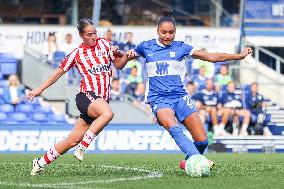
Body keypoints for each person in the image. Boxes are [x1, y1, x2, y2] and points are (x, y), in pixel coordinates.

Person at [130, 8, 252, 171]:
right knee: (173, 126)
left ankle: (187, 161)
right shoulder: (145, 47)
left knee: (202, 141)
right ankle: (199, 159)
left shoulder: (182, 48)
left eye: (171, 32)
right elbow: (122, 61)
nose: (167, 36)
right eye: (164, 32)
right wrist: (121, 57)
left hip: (180, 97)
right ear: (157, 31)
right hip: (158, 98)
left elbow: (211, 57)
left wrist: (238, 56)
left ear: (175, 32)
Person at [28, 18, 133, 176]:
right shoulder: (77, 54)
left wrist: (126, 57)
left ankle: (40, 162)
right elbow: (57, 73)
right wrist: (39, 89)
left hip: (100, 101)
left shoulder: (104, 44)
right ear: (81, 36)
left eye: (95, 32)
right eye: (89, 34)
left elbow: (118, 64)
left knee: (71, 140)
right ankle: (83, 146)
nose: (93, 36)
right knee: (108, 113)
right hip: (86, 96)